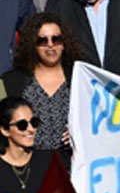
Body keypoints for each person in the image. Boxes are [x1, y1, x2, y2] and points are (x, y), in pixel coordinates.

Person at [2, 13, 78, 155]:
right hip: (28, 162)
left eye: (56, 39)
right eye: (42, 40)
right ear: (33, 44)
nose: (50, 44)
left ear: (64, 43)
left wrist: (80, 132)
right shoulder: (14, 81)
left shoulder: (79, 79)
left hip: (72, 161)